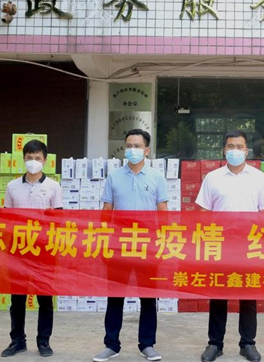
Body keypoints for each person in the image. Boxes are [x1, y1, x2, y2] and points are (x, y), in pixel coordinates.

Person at [196, 130, 264, 362]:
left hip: (249, 245)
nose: (235, 151)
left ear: (247, 151)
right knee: (218, 295)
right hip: (220, 244)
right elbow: (203, 212)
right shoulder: (213, 178)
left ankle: (248, 343)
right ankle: (215, 343)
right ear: (224, 150)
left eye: (239, 147)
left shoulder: (258, 177)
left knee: (248, 296)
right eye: (230, 146)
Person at [93, 129, 167, 362]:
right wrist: (104, 240)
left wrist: (163, 242)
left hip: (147, 245)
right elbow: (107, 211)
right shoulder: (114, 177)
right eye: (128, 146)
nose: (132, 150)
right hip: (119, 245)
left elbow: (163, 212)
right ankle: (111, 344)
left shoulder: (157, 177)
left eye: (137, 146)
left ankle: (147, 344)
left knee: (148, 297)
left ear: (147, 150)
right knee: (115, 296)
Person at [0, 140, 62, 358]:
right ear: (23, 158)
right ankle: (17, 341)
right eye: (29, 157)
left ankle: (44, 341)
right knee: (17, 298)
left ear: (45, 160)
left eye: (37, 158)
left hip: (44, 249)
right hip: (19, 248)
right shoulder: (12, 186)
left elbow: (60, 219)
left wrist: (54, 216)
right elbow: (7, 217)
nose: (33, 162)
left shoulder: (53, 186)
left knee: (44, 298)